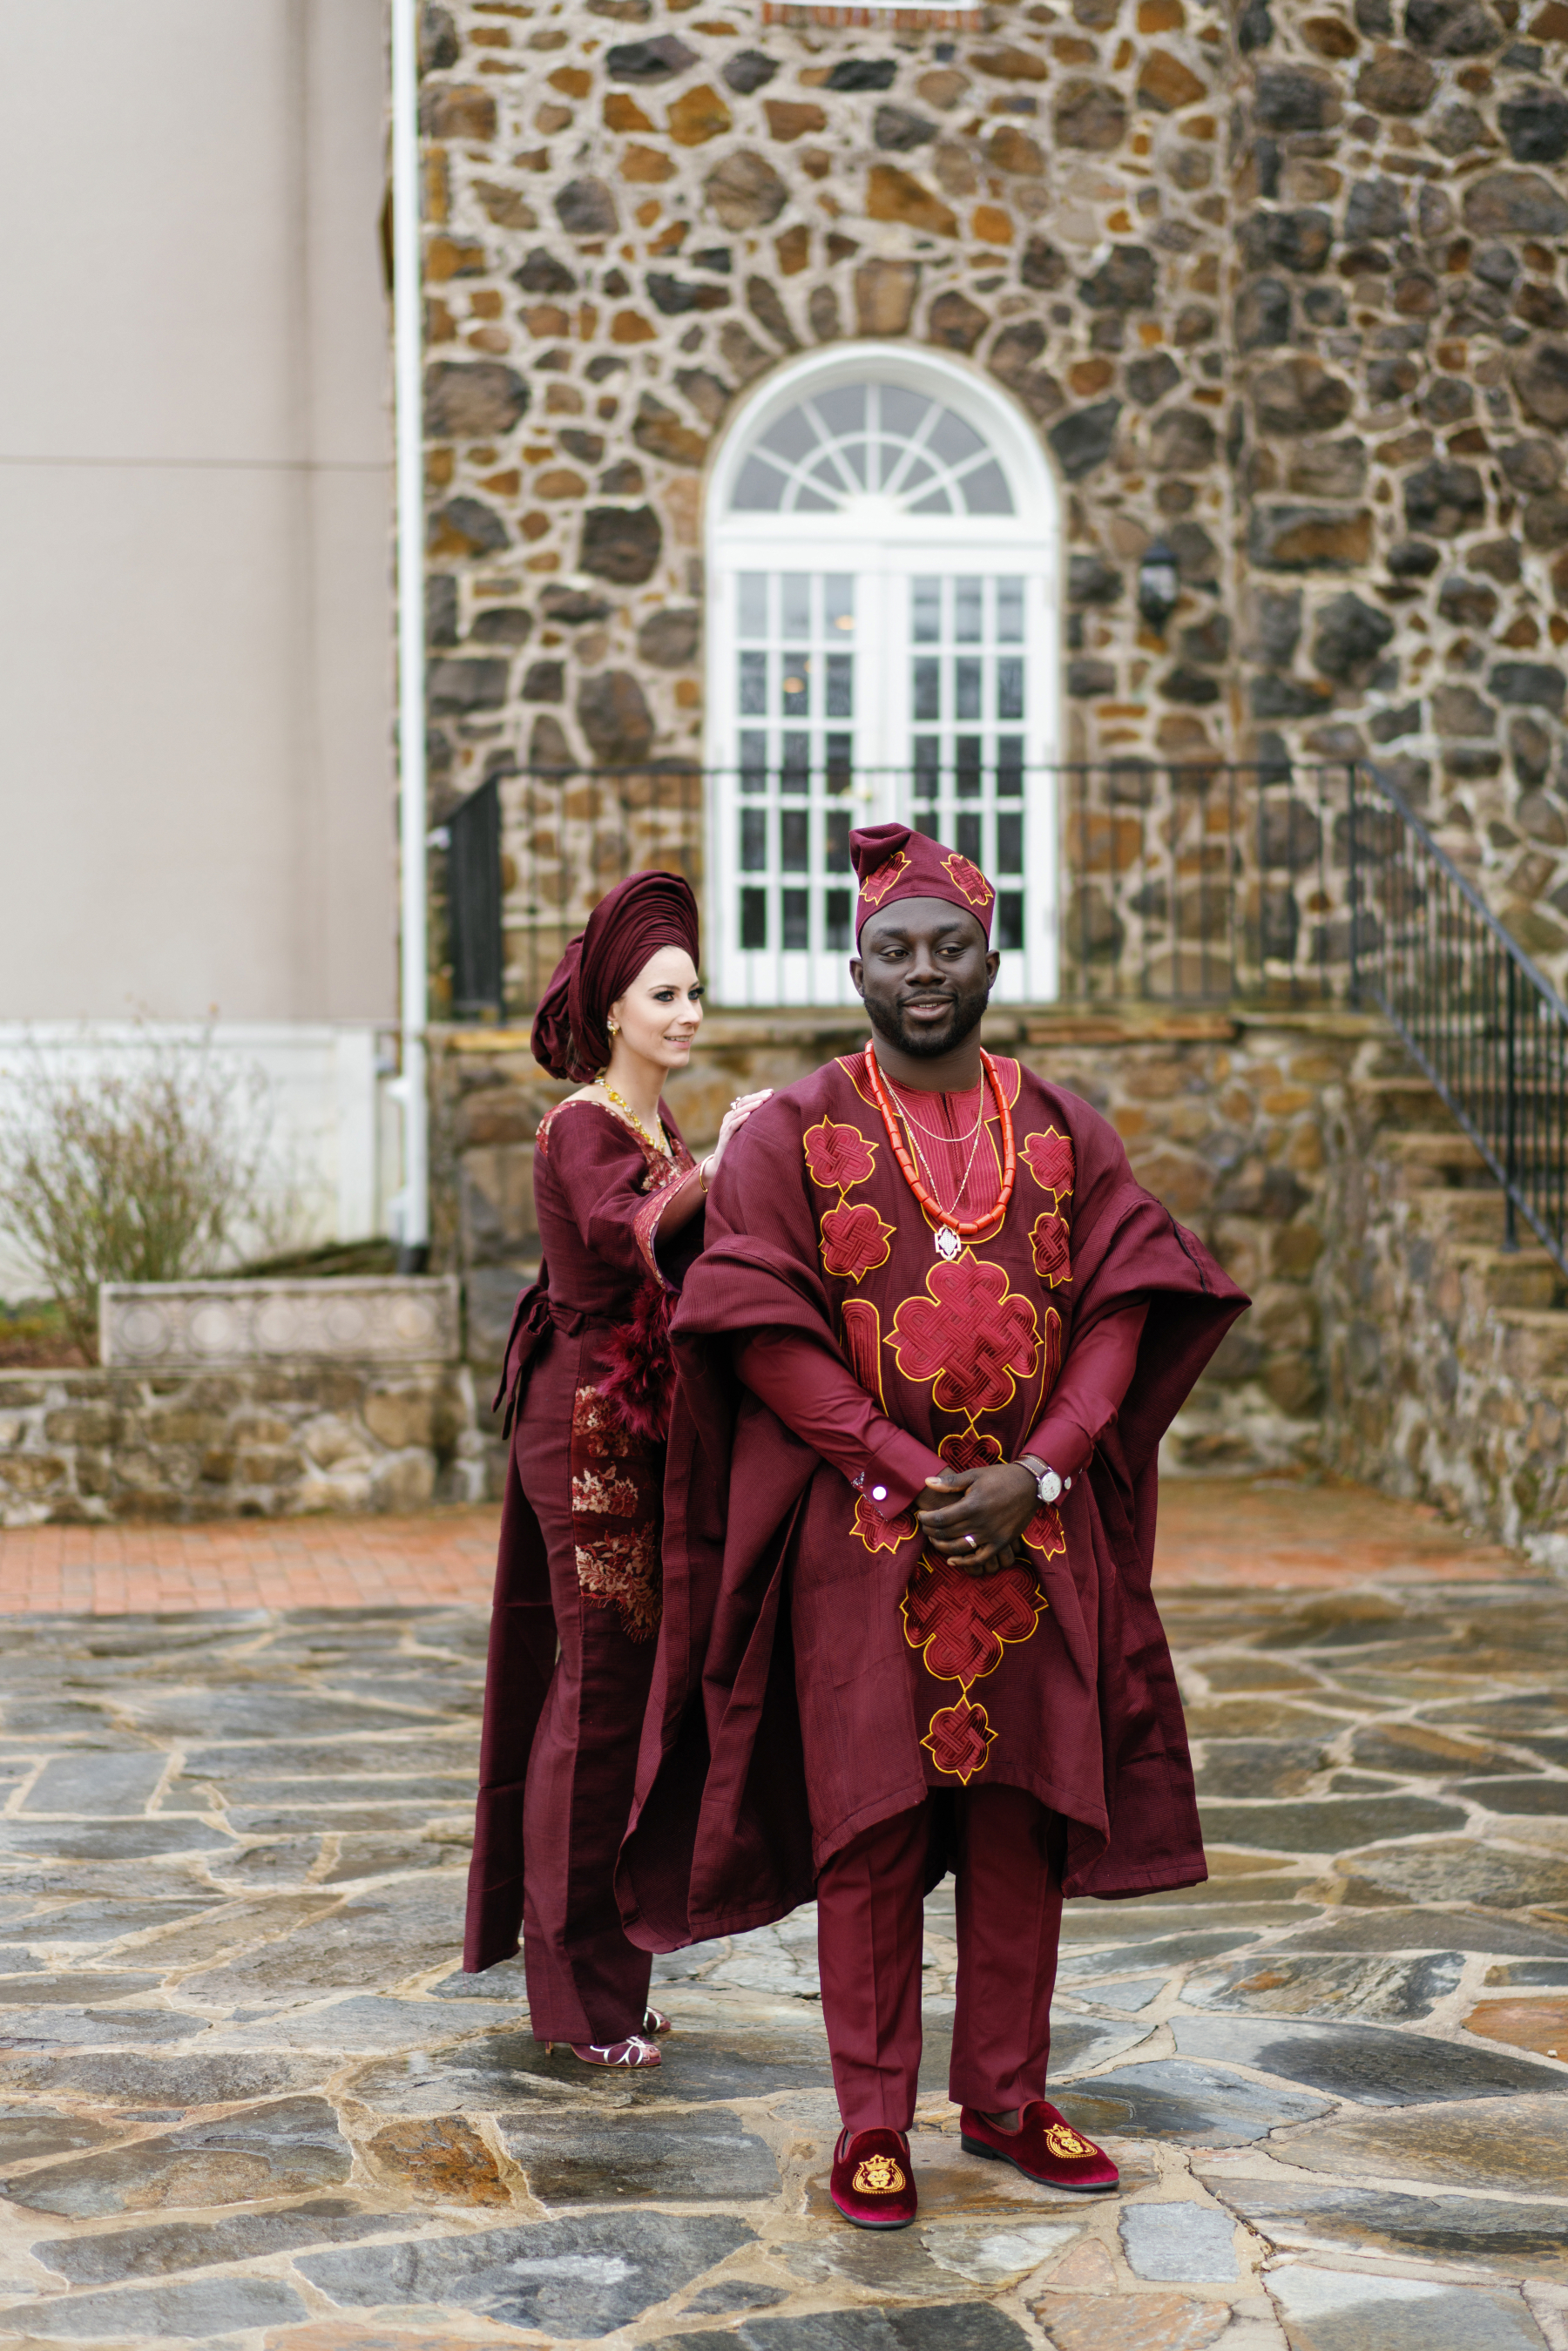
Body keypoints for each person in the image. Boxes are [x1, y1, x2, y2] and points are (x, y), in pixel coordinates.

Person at [618, 823, 1248, 2215]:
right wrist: (903, 1466)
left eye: (947, 948)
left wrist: (1045, 1472)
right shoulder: (792, 1128)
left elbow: (1121, 1308)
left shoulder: (1066, 1125)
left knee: (1022, 1825)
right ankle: (871, 2120)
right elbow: (760, 1324)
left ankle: (1009, 2099)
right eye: (895, 949)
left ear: (991, 959)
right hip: (866, 1542)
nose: (922, 972)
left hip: (1038, 1534)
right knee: (874, 1829)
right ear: (855, 963)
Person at [463, 867, 766, 2068]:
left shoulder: (658, 1128)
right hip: (582, 1437)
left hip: (640, 1436)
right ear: (615, 1006)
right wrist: (731, 1161)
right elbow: (634, 1228)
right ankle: (575, 2001)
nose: (687, 1012)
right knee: (594, 1697)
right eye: (664, 992)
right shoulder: (583, 1126)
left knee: (631, 1697)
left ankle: (612, 1981)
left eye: (695, 990)